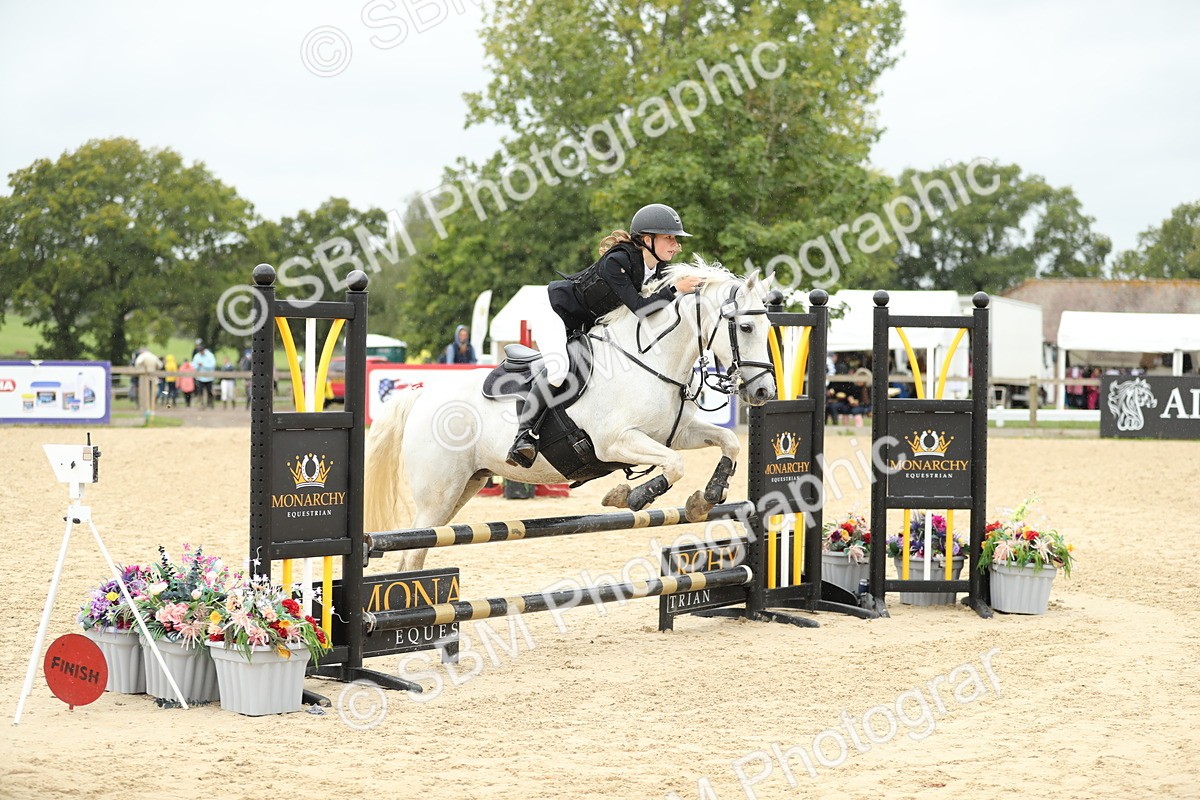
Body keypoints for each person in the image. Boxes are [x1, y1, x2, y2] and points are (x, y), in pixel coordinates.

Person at [506, 203, 704, 468]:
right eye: (669, 237)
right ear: (647, 240)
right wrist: (675, 289)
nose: (676, 245)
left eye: (675, 239)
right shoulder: (617, 261)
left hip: (583, 322)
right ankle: (524, 437)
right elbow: (643, 310)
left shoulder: (654, 269)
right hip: (553, 311)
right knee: (558, 370)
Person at [133, 347, 163, 411]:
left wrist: (141, 369)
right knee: (151, 391)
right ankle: (151, 405)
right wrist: (155, 368)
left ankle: (143, 405)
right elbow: (160, 365)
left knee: (143, 391)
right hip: (153, 377)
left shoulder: (142, 356)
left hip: (143, 377)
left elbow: (137, 363)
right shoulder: (153, 356)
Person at [193, 344, 217, 409]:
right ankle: (201, 405)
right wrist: (198, 366)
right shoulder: (197, 356)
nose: (201, 353)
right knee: (200, 391)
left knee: (209, 391)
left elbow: (212, 365)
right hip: (200, 378)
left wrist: (203, 365)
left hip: (209, 378)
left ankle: (210, 404)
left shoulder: (210, 355)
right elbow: (194, 366)